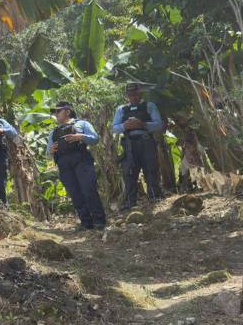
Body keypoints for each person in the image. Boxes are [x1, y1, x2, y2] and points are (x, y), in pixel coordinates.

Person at [48, 101, 106, 230]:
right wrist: (52, 150)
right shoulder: (54, 132)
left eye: (58, 111)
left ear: (67, 111)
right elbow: (48, 151)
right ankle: (86, 223)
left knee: (89, 190)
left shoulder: (82, 124)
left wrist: (80, 136)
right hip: (64, 164)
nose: (56, 114)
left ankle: (99, 221)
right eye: (55, 112)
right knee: (75, 194)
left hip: (82, 160)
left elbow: (95, 138)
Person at [111, 82, 165, 210]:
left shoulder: (149, 106)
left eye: (135, 94)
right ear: (126, 96)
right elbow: (114, 128)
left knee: (151, 169)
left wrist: (143, 124)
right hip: (129, 143)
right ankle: (131, 202)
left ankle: (154, 198)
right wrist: (125, 126)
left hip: (146, 141)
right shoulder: (121, 109)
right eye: (130, 95)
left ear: (140, 94)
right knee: (129, 172)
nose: (133, 97)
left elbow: (159, 124)